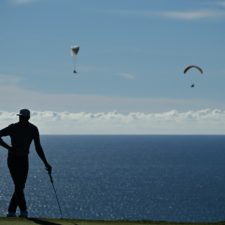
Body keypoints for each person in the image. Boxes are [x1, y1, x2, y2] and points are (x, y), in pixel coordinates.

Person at [0, 109, 52, 218]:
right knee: (18, 185)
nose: (20, 118)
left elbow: (38, 147)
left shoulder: (33, 129)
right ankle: (23, 211)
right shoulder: (13, 127)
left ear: (28, 118)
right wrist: (8, 147)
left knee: (20, 186)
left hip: (24, 159)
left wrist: (45, 163)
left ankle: (11, 212)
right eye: (20, 116)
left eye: (23, 117)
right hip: (13, 159)